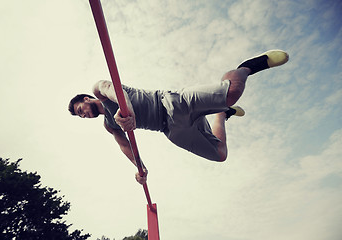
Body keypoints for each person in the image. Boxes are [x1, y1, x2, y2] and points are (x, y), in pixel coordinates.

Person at [68, 50, 289, 184]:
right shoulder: (109, 125)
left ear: (86, 99)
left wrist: (127, 110)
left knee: (231, 93)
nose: (84, 115)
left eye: (81, 110)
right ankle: (221, 115)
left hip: (171, 104)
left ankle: (246, 68)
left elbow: (112, 89)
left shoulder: (98, 90)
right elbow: (125, 146)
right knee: (220, 154)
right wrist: (140, 168)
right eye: (81, 117)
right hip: (173, 131)